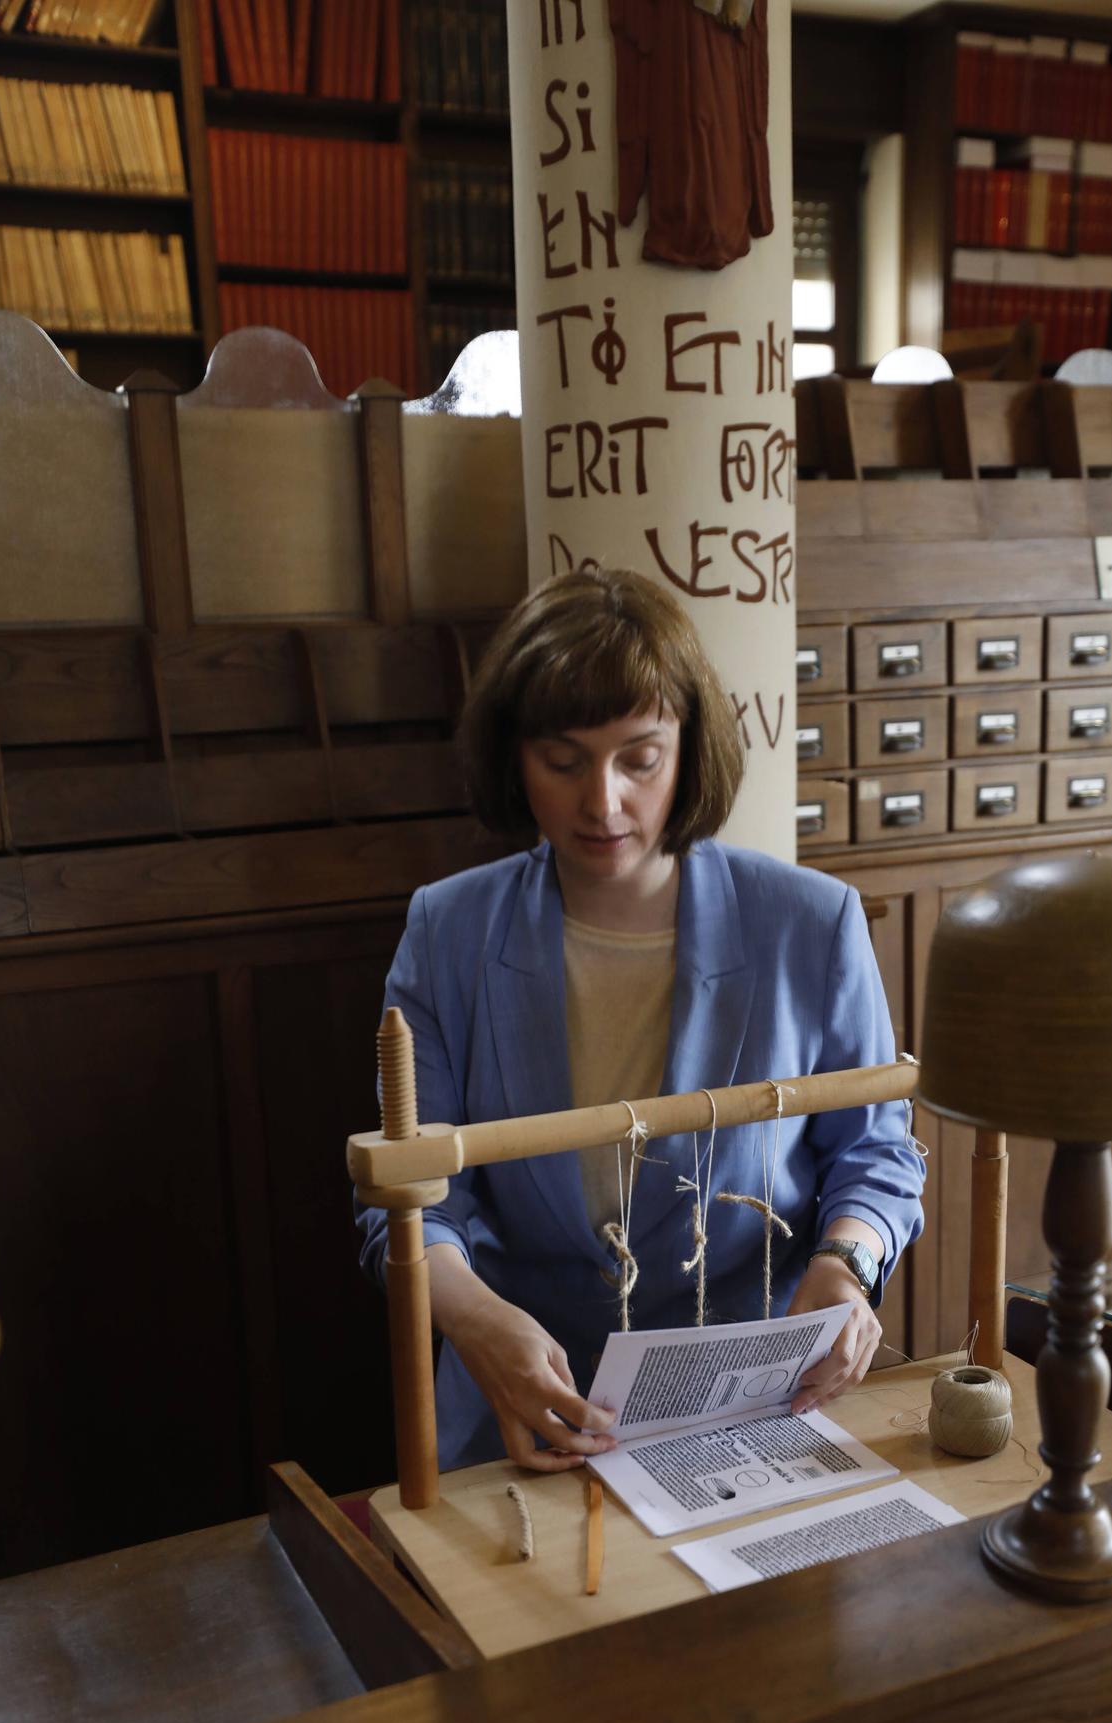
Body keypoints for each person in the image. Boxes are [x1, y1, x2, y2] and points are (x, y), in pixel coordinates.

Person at [357, 568, 924, 1472]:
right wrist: (469, 1316)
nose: (603, 802)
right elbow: (410, 1195)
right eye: (564, 758)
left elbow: (874, 1152)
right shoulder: (449, 929)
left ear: (688, 747)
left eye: (639, 757)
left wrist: (845, 1266)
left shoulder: (810, 924)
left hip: (750, 1399)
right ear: (514, 755)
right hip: (523, 1406)